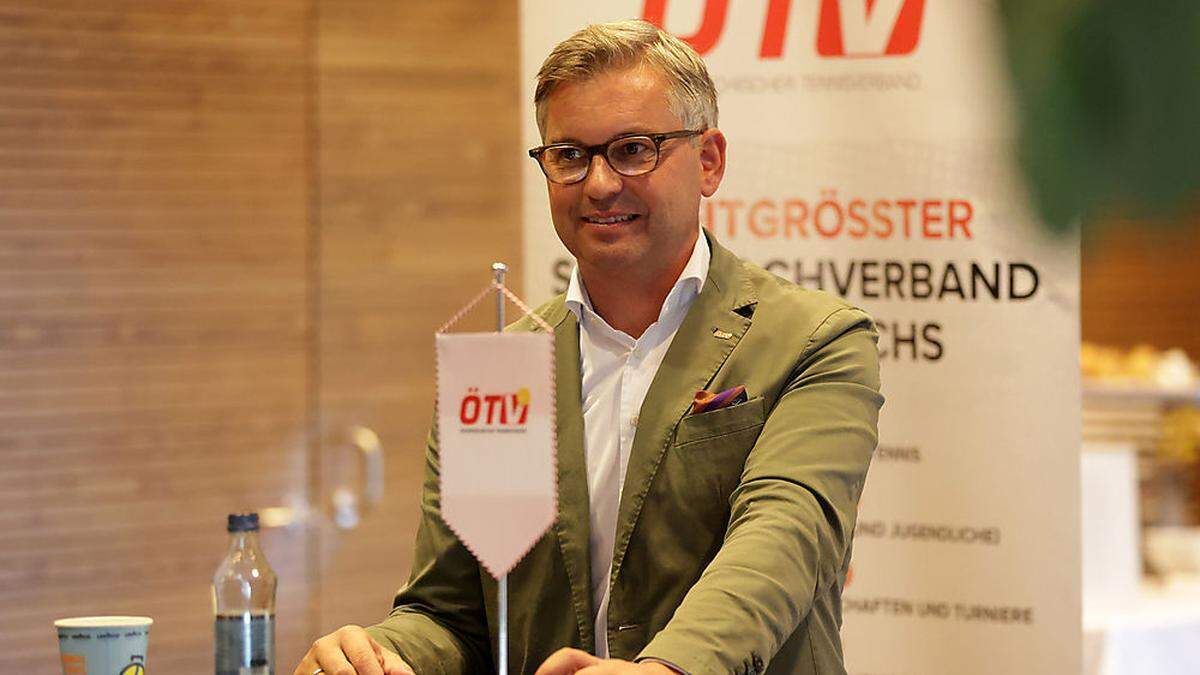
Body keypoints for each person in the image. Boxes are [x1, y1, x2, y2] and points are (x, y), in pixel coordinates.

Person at [294, 19, 881, 675]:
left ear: (709, 160)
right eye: (570, 154)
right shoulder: (499, 367)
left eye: (634, 149)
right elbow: (453, 612)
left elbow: (783, 537)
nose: (600, 183)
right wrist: (378, 655)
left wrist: (669, 668)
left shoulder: (816, 339)